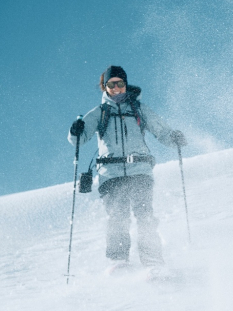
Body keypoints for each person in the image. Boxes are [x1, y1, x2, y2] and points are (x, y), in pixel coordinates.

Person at [68, 65, 187, 269]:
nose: (116, 88)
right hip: (111, 175)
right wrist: (76, 130)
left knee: (145, 216)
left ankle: (153, 261)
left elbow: (161, 130)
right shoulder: (100, 112)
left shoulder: (139, 109)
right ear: (104, 87)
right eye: (111, 84)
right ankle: (119, 261)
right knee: (118, 217)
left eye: (120, 84)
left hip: (139, 170)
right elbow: (78, 138)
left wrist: (173, 137)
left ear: (125, 85)